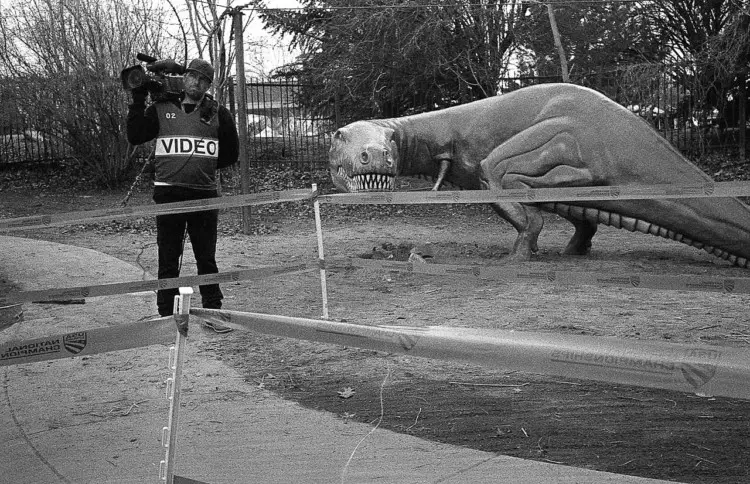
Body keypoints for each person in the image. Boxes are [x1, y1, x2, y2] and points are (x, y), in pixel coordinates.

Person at [127, 58, 239, 332]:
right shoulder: (162, 108)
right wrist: (137, 98)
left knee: (206, 257)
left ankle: (213, 311)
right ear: (184, 77)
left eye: (203, 80)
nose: (196, 83)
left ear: (208, 85)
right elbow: (135, 134)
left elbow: (231, 153)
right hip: (168, 195)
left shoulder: (217, 113)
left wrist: (203, 166)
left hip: (203, 194)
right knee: (168, 256)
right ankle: (167, 314)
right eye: (192, 77)